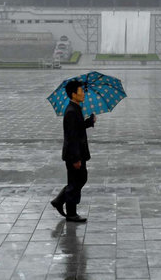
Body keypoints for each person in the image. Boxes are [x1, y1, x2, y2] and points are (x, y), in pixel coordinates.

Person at [51, 80, 96, 223]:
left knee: (78, 180)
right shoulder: (71, 111)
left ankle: (60, 201)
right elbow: (72, 137)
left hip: (77, 153)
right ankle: (70, 212)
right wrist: (76, 158)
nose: (83, 94)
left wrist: (89, 122)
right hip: (74, 155)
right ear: (73, 94)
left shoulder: (76, 108)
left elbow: (78, 128)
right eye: (81, 92)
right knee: (77, 180)